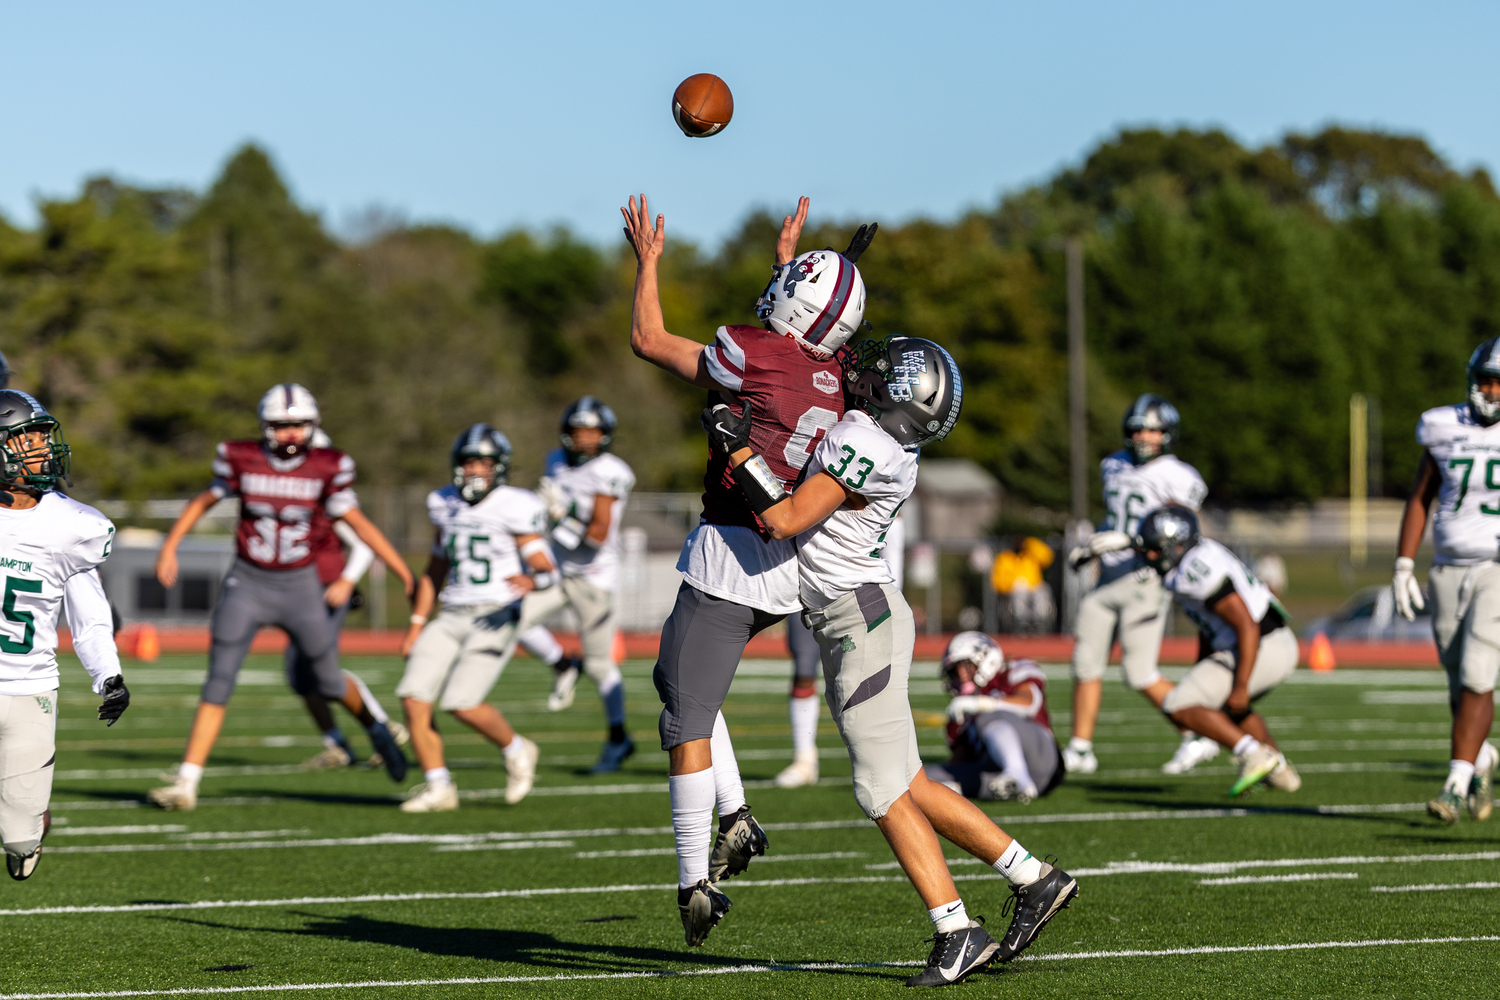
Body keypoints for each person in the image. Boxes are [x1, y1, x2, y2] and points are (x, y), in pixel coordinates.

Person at [705, 336, 1077, 985]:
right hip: (856, 613)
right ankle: (1034, 878)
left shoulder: (869, 441)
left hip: (860, 619)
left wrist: (736, 444)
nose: (865, 369)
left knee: (878, 789)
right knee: (908, 784)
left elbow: (787, 518)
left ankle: (956, 928)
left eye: (883, 371)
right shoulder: (879, 437)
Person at [623, 193, 874, 945]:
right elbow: (792, 356)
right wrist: (787, 264)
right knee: (679, 682)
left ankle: (695, 876)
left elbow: (648, 339)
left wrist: (648, 262)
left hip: (732, 552)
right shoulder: (839, 370)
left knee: (683, 718)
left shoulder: (755, 351)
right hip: (788, 559)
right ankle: (737, 815)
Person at [148, 384, 414, 811]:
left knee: (325, 681)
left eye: (298, 426)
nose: (290, 434)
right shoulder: (242, 457)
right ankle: (186, 782)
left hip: (299, 586)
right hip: (248, 582)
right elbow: (204, 500)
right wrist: (169, 545)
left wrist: (402, 570)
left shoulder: (329, 465)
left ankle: (376, 726)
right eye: (281, 426)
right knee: (218, 681)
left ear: (312, 427)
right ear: (266, 427)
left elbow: (359, 524)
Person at [0, 391, 130, 879]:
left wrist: (108, 675)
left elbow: (89, 609)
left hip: (30, 687)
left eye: (41, 439)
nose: (43, 451)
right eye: (27, 441)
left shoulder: (72, 526)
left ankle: (27, 839)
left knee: (18, 832)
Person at [395, 424, 555, 812]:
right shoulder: (442, 502)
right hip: (451, 612)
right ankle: (439, 786)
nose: (475, 470)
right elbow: (435, 569)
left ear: (499, 467)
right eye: (469, 462)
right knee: (413, 697)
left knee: (461, 702)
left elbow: (546, 569)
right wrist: (417, 623)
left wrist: (530, 579)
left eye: (484, 462)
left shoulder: (515, 505)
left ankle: (517, 749)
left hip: (495, 613)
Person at [1064, 394, 1217, 777]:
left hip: (1144, 577)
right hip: (1108, 577)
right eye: (1136, 428)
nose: (1143, 436)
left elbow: (1184, 532)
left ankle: (1197, 734)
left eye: (1151, 428)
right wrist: (1094, 546)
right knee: (1085, 663)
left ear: (1167, 434)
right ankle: (1080, 748)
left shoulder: (1178, 475)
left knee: (1139, 672)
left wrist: (1133, 543)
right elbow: (1114, 517)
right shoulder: (1112, 464)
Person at [1392, 338, 1500, 825]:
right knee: (1459, 681)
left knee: (1479, 671)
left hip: (1496, 568)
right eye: (1485, 380)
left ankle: (1454, 785)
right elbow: (1421, 496)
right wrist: (1402, 563)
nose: (1491, 391)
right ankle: (1481, 759)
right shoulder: (1442, 425)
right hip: (1447, 567)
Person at [1134, 505, 1301, 797]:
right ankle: (1280, 772)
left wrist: (1240, 685)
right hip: (1273, 642)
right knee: (1233, 711)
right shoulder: (1196, 558)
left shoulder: (1196, 570)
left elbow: (1247, 625)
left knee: (1178, 704)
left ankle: (1255, 755)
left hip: (1262, 643)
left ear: (1178, 545)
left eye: (1157, 549)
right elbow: (1210, 625)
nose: (1151, 556)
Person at [524, 396, 637, 773]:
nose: (584, 438)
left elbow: (597, 536)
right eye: (577, 431)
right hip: (557, 569)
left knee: (600, 664)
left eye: (591, 431)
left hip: (593, 576)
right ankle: (560, 663)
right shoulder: (554, 462)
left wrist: (563, 512)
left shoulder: (611, 471)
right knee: (511, 618)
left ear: (604, 435)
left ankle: (618, 738)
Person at [294, 430, 409, 771]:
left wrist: (346, 580)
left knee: (321, 670)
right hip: (300, 591)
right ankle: (338, 743)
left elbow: (362, 543)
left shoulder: (327, 494)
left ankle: (382, 726)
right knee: (300, 674)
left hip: (325, 589)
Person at [777, 511, 904, 790]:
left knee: (857, 680)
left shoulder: (876, 492)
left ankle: (879, 761)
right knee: (803, 669)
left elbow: (891, 549)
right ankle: (804, 759)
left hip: (855, 598)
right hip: (806, 591)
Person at [926, 632, 1063, 805]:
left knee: (986, 715)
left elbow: (1029, 703)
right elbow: (959, 763)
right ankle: (1011, 784)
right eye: (954, 671)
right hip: (994, 771)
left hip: (1041, 760)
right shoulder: (963, 711)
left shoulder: (1011, 672)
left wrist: (981, 704)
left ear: (986, 658)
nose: (960, 676)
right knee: (922, 780)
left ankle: (1016, 774)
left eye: (966, 666)